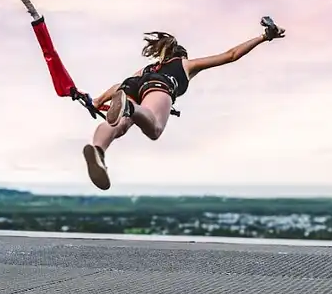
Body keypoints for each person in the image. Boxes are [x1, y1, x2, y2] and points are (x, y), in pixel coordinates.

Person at [82, 17, 286, 191]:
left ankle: (99, 150)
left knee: (119, 126)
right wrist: (264, 37)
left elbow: (121, 85)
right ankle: (131, 108)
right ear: (181, 54)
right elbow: (230, 55)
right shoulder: (184, 64)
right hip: (158, 86)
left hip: (132, 85)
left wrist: (98, 101)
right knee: (154, 128)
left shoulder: (146, 69)